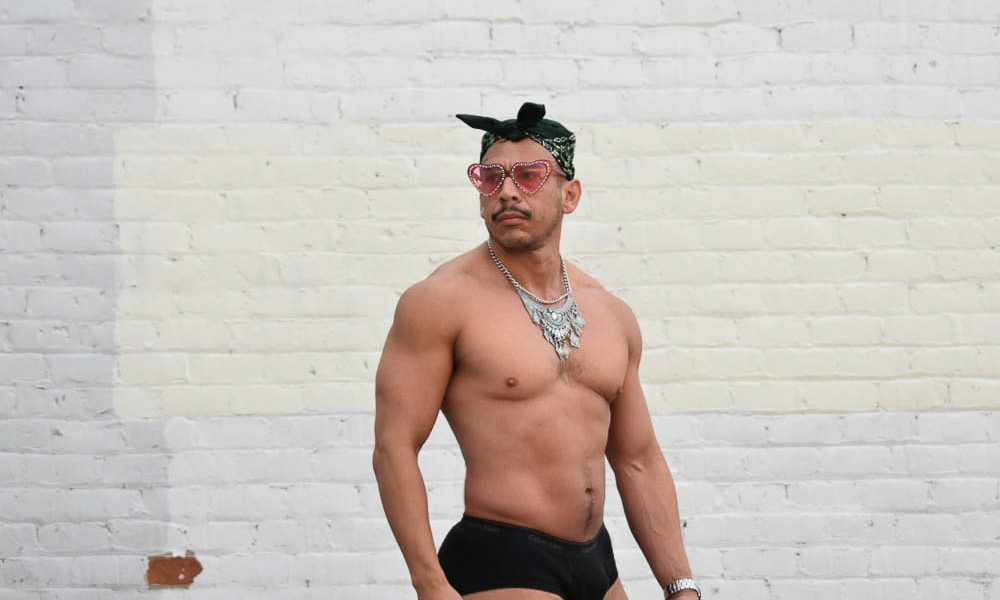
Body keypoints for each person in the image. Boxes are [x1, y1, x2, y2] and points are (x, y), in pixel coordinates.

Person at [373, 102, 700, 600]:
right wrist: (430, 583)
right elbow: (394, 446)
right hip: (502, 557)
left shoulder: (610, 313)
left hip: (597, 560)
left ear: (570, 195)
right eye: (491, 178)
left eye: (529, 176)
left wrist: (681, 587)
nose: (506, 191)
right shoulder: (440, 302)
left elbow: (639, 460)